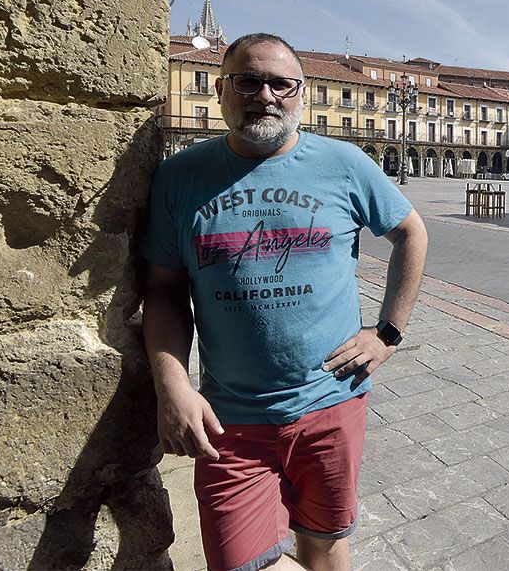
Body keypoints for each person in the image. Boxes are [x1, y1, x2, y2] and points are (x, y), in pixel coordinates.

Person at [141, 33, 428, 571]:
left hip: (333, 402)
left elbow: (411, 232)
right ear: (223, 89)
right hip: (229, 421)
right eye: (248, 81)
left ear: (302, 93)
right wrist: (172, 386)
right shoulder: (179, 177)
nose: (265, 95)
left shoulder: (344, 163)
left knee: (324, 542)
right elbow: (162, 290)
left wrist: (387, 333)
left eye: (281, 84)